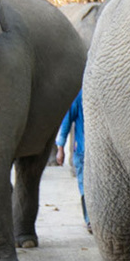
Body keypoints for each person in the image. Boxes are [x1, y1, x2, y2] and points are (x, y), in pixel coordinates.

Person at [55, 91, 88, 232]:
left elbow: (66, 121)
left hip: (83, 150)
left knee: (85, 187)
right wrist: (60, 147)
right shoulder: (80, 96)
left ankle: (91, 220)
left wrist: (60, 148)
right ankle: (91, 220)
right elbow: (67, 121)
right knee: (86, 186)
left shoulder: (80, 94)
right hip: (83, 151)